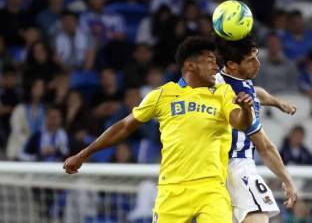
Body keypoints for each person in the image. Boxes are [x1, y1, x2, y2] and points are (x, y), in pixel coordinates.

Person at [63, 36, 255, 223]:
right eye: (210, 62)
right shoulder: (162, 95)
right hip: (171, 190)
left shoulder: (222, 93)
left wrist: (246, 109)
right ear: (190, 65)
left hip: (211, 188)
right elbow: (123, 127)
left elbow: (240, 123)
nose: (216, 67)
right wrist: (84, 154)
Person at [215, 36, 298, 223]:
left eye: (257, 57)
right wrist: (287, 180)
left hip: (214, 167)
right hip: (237, 166)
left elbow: (257, 91)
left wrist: (277, 103)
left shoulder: (223, 79)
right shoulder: (239, 98)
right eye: (251, 60)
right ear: (233, 65)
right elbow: (265, 147)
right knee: (258, 217)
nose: (258, 64)